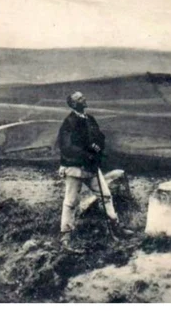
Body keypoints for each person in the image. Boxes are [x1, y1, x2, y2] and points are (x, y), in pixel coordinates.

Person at [57, 91, 133, 253]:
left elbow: (100, 137)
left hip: (91, 167)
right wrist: (87, 155)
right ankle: (66, 237)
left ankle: (115, 227)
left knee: (105, 196)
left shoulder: (90, 119)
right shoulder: (69, 122)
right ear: (73, 104)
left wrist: (98, 146)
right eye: (79, 99)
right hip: (75, 167)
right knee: (70, 202)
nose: (83, 99)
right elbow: (66, 146)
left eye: (83, 97)